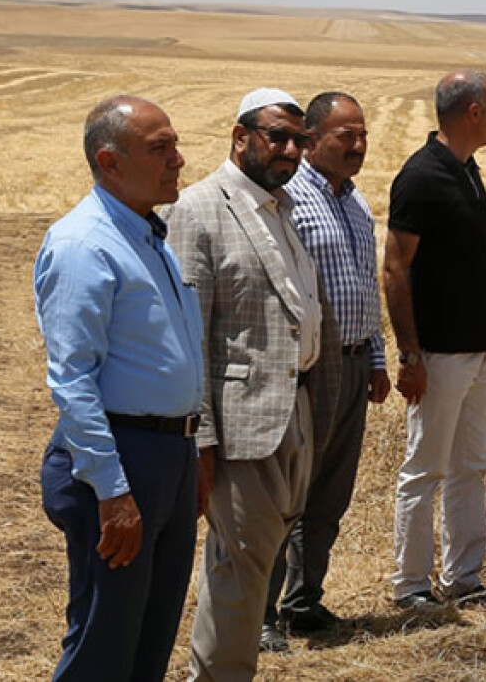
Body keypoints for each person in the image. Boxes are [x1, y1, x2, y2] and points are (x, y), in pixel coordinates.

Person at [164, 87, 341, 682]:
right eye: (277, 136)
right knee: (238, 572)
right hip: (239, 428)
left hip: (292, 412)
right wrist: (202, 444)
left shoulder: (280, 208)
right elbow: (192, 339)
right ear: (240, 137)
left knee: (255, 567)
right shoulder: (199, 209)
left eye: (300, 140)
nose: (290, 150)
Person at [35, 95, 203, 682]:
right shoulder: (85, 244)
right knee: (103, 650)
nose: (178, 160)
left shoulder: (147, 235)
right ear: (110, 162)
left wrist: (192, 456)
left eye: (175, 145)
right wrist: (112, 491)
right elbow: (73, 379)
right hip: (121, 461)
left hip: (167, 458)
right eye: (160, 149)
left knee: (149, 645)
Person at [261, 92, 391, 650]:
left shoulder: (357, 204)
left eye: (363, 136)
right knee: (287, 490)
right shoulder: (288, 199)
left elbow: (367, 285)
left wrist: (379, 358)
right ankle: (261, 614)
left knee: (332, 492)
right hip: (309, 367)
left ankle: (303, 600)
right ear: (312, 140)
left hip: (356, 361)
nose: (359, 146)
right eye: (347, 137)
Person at [383, 69, 486, 610]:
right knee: (424, 470)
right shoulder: (421, 177)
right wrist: (410, 355)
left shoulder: (468, 170)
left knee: (472, 466)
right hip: (438, 355)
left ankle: (464, 578)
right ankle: (411, 587)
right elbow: (394, 269)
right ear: (473, 112)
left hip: (478, 353)